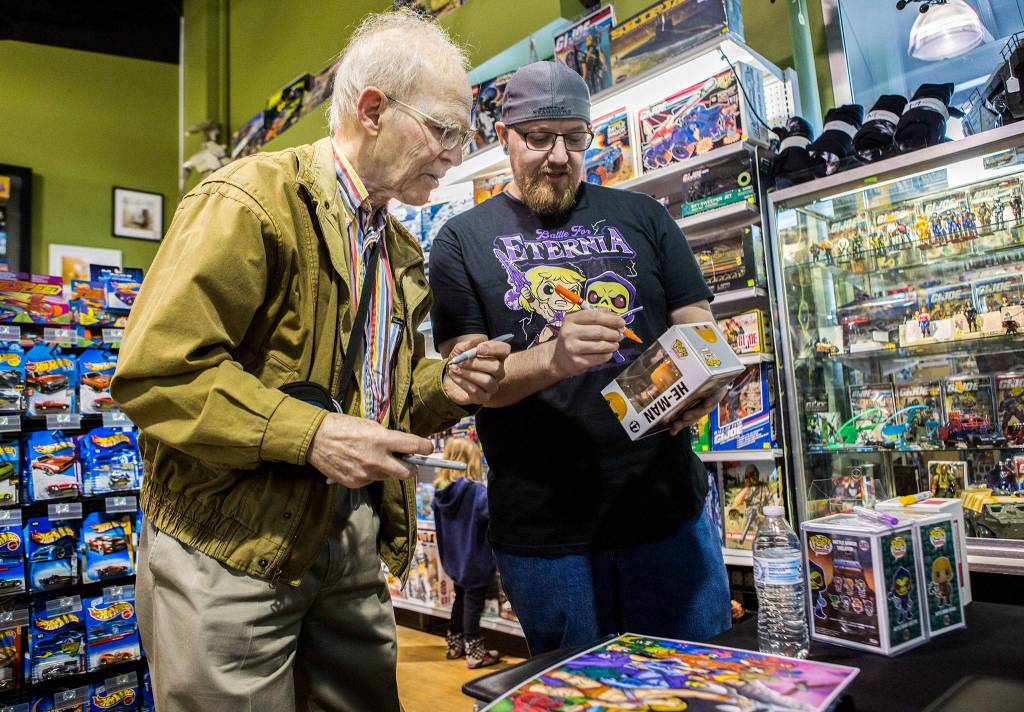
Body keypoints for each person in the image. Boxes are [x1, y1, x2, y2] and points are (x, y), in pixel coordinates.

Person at [111, 11, 511, 711]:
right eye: (443, 131)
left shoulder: (398, 248)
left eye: (462, 135)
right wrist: (315, 436)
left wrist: (447, 382)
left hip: (347, 542)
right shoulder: (248, 200)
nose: (454, 153)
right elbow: (159, 372)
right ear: (372, 110)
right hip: (230, 548)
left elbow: (374, 395)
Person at [428, 61, 732, 655]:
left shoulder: (644, 216)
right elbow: (469, 381)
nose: (559, 155)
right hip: (547, 534)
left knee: (701, 684)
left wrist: (708, 378)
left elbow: (697, 323)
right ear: (505, 137)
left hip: (667, 512)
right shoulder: (460, 240)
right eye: (539, 139)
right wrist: (552, 359)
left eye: (575, 137)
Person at [431, 437, 501, 669]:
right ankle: (475, 652)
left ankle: (455, 644)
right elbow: (493, 515)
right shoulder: (477, 493)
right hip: (476, 562)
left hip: (454, 562)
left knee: (459, 600)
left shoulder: (440, 493)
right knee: (473, 605)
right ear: (471, 462)